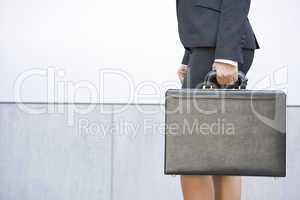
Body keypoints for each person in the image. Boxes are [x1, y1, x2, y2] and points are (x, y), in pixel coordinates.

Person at [175, 0, 260, 199]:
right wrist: (189, 57)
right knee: (220, 149)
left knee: (190, 152)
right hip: (209, 47)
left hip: (217, 48)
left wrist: (226, 55)